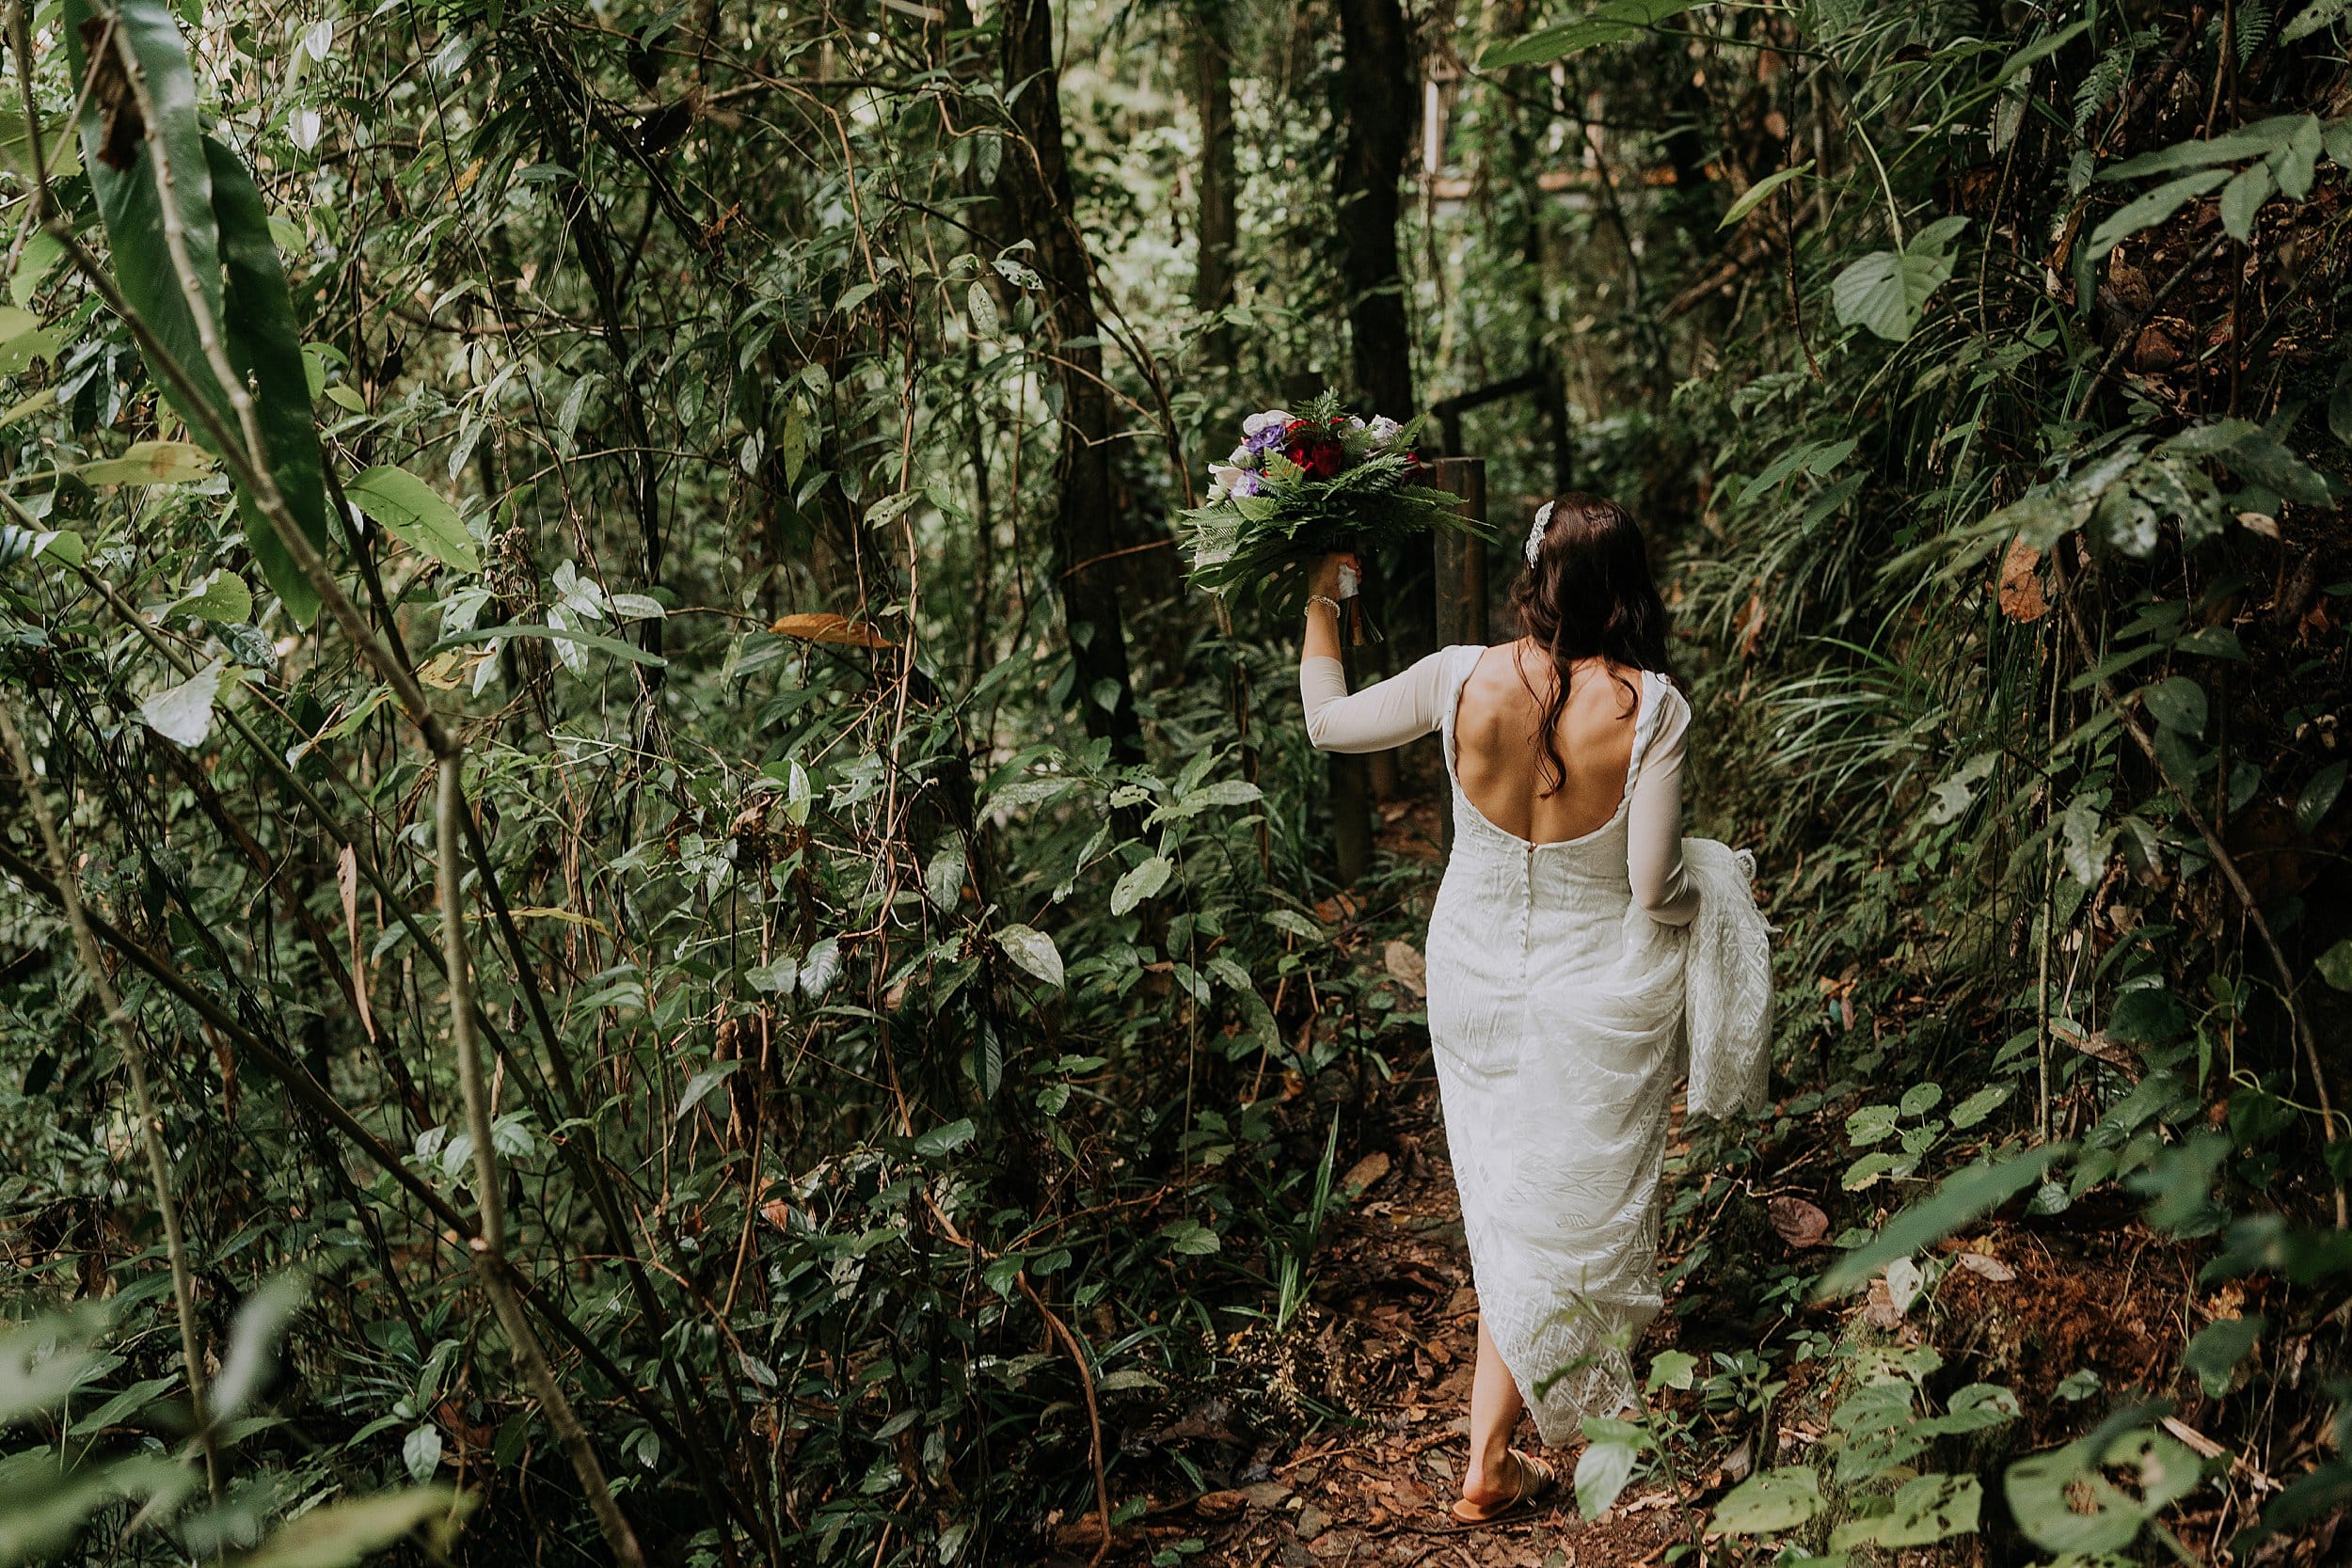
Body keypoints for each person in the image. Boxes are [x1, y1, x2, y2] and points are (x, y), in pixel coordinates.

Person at [1296, 494, 1771, 1524]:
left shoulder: (1459, 673)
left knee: (1510, 1208)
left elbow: (1327, 723)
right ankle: (1493, 1448)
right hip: (1591, 979)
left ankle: (1487, 1459)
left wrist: (1320, 602)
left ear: (1533, 578)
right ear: (1628, 589)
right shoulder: (1650, 706)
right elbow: (1652, 887)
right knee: (1543, 1211)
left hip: (1466, 970)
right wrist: (1718, 884)